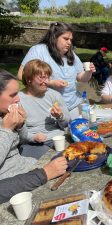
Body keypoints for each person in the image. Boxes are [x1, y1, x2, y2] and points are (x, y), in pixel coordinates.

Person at [0, 72, 67, 203]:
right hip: (13, 185)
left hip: (24, 167)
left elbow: (22, 139)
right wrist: (7, 129)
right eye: (12, 95)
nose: (18, 99)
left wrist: (20, 125)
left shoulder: (4, 114)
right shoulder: (5, 123)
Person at [17, 22, 96, 119]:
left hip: (73, 105)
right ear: (54, 37)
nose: (69, 42)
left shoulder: (71, 54)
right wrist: (50, 83)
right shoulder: (39, 50)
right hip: (50, 108)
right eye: (66, 39)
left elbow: (81, 78)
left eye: (71, 39)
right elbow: (21, 74)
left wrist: (89, 72)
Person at [19, 60, 71, 160]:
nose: (46, 81)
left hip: (57, 138)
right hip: (32, 143)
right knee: (50, 162)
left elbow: (66, 123)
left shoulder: (54, 95)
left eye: (48, 77)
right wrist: (33, 138)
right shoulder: (18, 100)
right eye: (42, 78)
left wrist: (60, 116)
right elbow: (17, 133)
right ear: (29, 79)